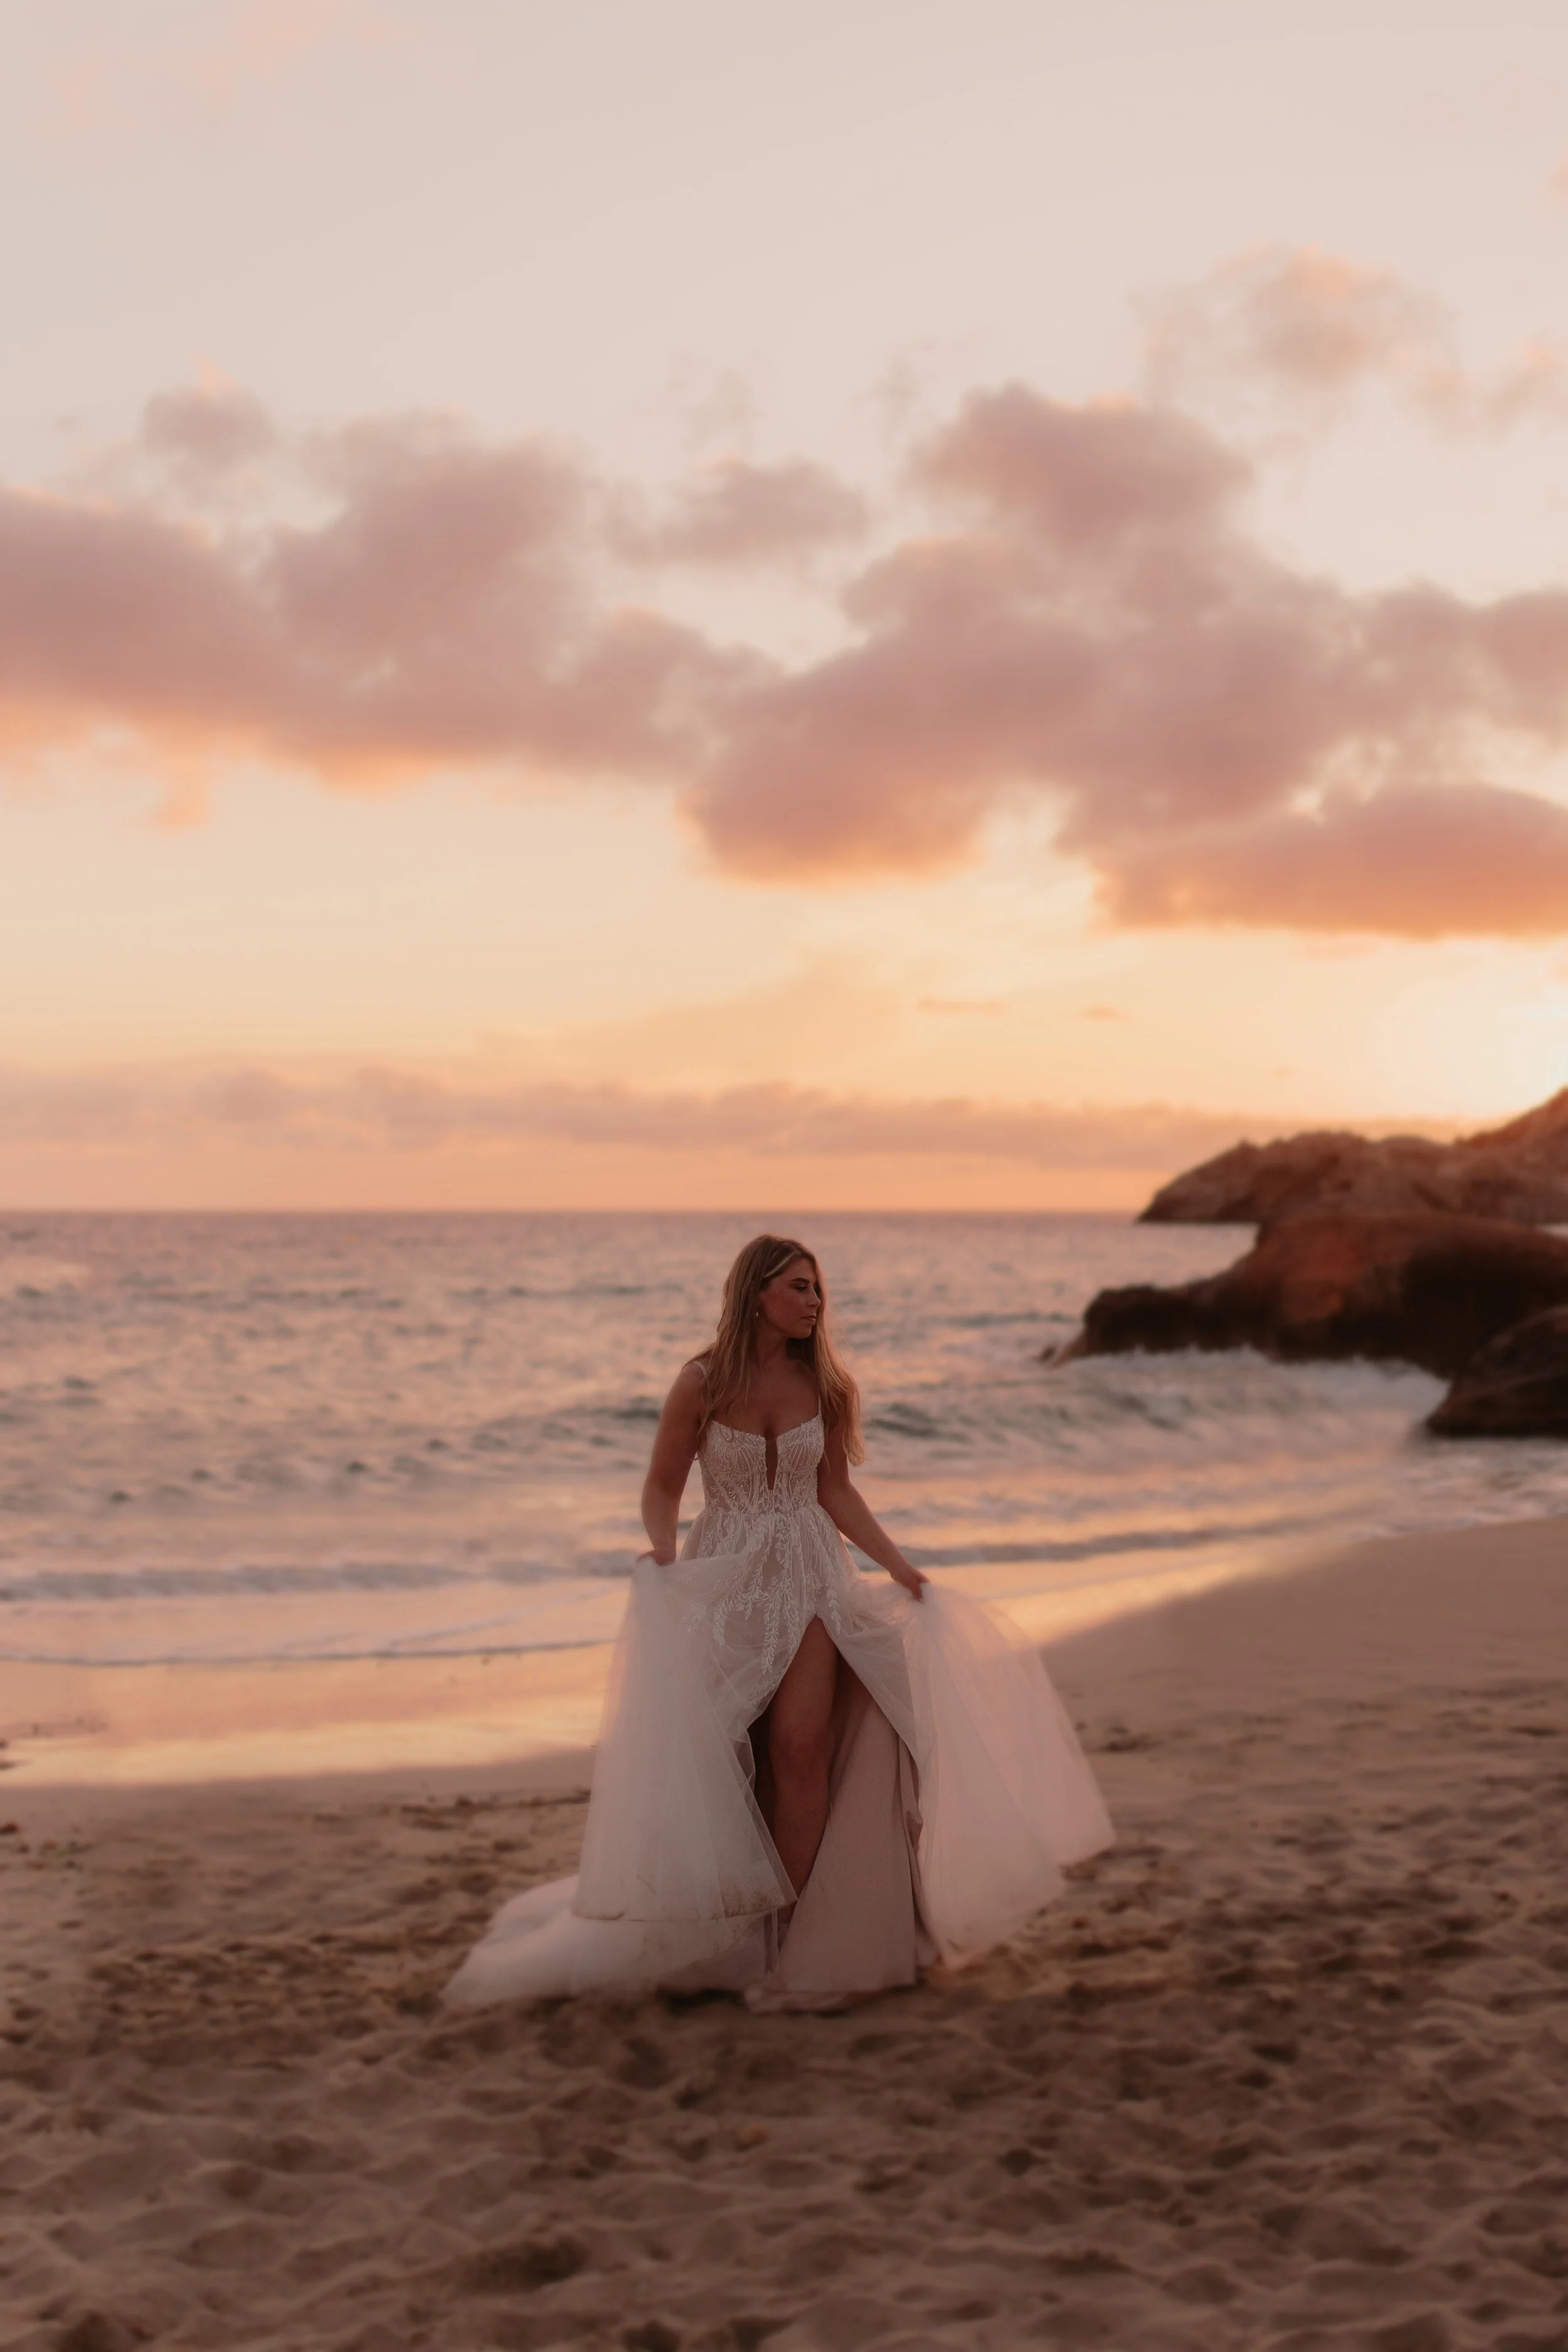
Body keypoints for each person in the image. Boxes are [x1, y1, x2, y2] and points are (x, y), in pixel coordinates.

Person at [445, 1234, 1112, 2012]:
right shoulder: (699, 1382)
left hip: (809, 1575)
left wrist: (902, 1570)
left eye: (818, 1290)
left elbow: (835, 1492)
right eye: (800, 1288)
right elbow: (661, 1485)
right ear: (757, 1291)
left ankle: (789, 1934)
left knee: (800, 1749)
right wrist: (663, 1554)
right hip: (724, 1575)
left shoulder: (825, 1385)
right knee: (726, 1756)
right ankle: (727, 1926)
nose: (814, 1303)